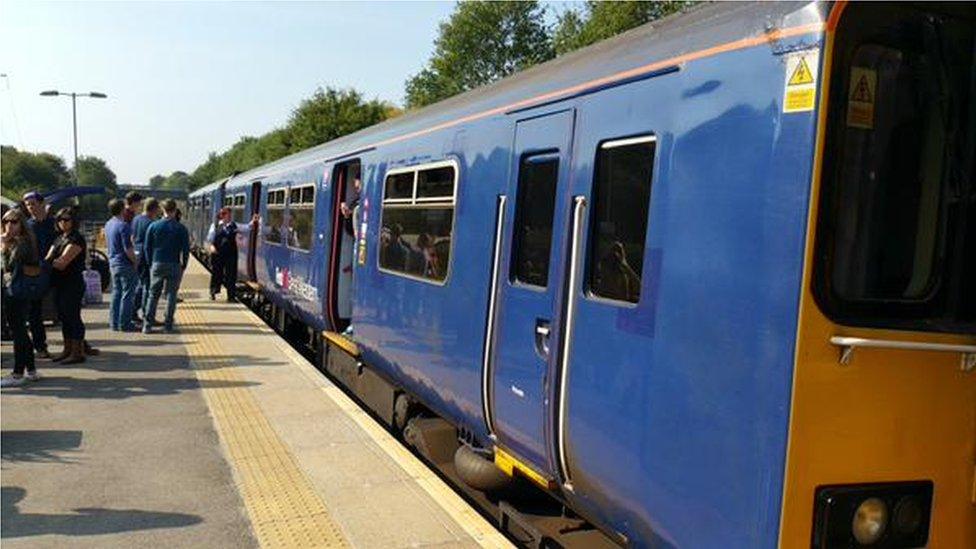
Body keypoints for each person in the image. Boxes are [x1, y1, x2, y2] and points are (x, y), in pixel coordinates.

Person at [2, 208, 40, 386]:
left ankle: (18, 373)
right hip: (18, 289)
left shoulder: (21, 242)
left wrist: (4, 246)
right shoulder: (20, 240)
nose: (9, 225)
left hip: (17, 290)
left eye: (13, 222)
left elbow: (10, 266)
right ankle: (31, 370)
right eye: (6, 221)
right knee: (21, 331)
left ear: (21, 224)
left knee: (18, 331)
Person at [46, 207, 88, 364]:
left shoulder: (76, 239)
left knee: (73, 317)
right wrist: (49, 262)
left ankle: (77, 352)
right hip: (59, 283)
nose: (62, 222)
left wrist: (48, 263)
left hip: (72, 284)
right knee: (63, 317)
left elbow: (62, 262)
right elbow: (49, 258)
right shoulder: (59, 238)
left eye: (66, 220)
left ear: (73, 221)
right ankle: (67, 349)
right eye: (59, 219)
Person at [142, 199, 190, 333]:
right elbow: (186, 250)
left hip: (157, 264)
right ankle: (168, 326)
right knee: (171, 295)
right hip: (174, 264)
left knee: (153, 295)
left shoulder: (153, 226)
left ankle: (147, 325)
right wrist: (184, 265)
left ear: (163, 210)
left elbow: (147, 247)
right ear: (175, 211)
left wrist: (150, 263)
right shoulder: (181, 228)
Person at [22, 191, 55, 358]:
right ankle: (40, 346)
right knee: (34, 312)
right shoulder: (27, 226)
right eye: (27, 205)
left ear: (42, 204)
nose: (30, 208)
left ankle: (76, 344)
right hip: (35, 272)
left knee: (65, 308)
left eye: (33, 204)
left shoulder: (54, 224)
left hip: (56, 270)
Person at [105, 198, 138, 331]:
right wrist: (135, 261)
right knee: (128, 294)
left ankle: (114, 323)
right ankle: (124, 324)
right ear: (122, 209)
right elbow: (128, 249)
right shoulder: (123, 226)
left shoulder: (108, 224)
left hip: (113, 263)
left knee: (116, 293)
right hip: (124, 263)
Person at [132, 198, 161, 320]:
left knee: (140, 284)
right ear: (154, 209)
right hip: (146, 255)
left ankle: (133, 311)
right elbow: (153, 242)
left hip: (137, 253)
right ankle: (146, 314)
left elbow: (132, 237)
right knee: (147, 287)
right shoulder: (151, 223)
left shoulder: (136, 219)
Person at [207, 207, 237, 302]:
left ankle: (231, 296)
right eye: (227, 214)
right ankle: (213, 292)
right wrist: (211, 246)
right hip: (218, 253)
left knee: (231, 275)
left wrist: (253, 223)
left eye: (229, 214)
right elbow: (210, 238)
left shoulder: (233, 225)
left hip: (231, 253)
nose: (229, 216)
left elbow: (246, 228)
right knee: (216, 273)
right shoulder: (215, 226)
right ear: (222, 215)